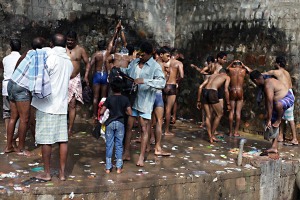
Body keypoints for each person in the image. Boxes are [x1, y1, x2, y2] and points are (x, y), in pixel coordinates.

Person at [31, 33, 73, 181]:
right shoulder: (68, 62)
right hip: (61, 106)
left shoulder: (50, 57)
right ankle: (62, 174)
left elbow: (40, 76)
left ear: (52, 44)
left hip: (47, 105)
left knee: (46, 140)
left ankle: (47, 173)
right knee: (63, 140)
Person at [121, 41, 166, 167]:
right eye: (140, 54)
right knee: (129, 127)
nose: (141, 57)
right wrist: (118, 69)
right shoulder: (135, 63)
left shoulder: (155, 66)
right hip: (132, 99)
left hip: (145, 101)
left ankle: (141, 157)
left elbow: (162, 83)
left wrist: (145, 81)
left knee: (144, 128)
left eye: (143, 55)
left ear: (149, 54)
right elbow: (127, 72)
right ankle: (126, 152)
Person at [5, 37, 47, 156]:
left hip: (12, 82)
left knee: (13, 117)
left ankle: (9, 146)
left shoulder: (27, 53)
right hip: (22, 87)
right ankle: (21, 148)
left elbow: (17, 66)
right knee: (25, 118)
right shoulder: (41, 57)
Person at [250, 70, 294, 154]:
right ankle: (274, 147)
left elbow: (270, 102)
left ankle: (279, 120)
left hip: (288, 97)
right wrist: (268, 116)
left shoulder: (268, 84)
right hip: (277, 101)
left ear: (255, 81)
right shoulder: (264, 84)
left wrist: (269, 119)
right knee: (272, 122)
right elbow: (267, 101)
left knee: (277, 106)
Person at [262, 56, 298, 145]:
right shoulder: (287, 73)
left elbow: (262, 75)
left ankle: (294, 139)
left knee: (289, 118)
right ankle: (280, 136)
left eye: (275, 63)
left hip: (284, 94)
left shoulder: (276, 72)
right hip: (290, 93)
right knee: (282, 116)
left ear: (278, 64)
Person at [99, 76, 132, 174]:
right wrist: (124, 112)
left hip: (110, 123)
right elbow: (130, 112)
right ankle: (118, 167)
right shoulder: (125, 99)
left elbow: (102, 111)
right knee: (119, 145)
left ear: (112, 88)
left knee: (109, 145)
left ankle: (108, 168)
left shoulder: (109, 99)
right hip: (121, 123)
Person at [90, 22, 122, 121]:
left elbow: (89, 65)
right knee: (104, 97)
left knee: (95, 97)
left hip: (97, 74)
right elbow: (111, 43)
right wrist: (116, 32)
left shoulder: (95, 54)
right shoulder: (107, 53)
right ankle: (102, 115)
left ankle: (94, 115)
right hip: (105, 76)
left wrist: (87, 76)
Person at [66, 30, 91, 136]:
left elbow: (87, 63)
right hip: (63, 79)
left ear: (75, 40)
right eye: (68, 40)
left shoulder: (80, 50)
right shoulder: (62, 49)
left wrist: (86, 75)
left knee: (72, 104)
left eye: (72, 40)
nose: (70, 42)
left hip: (74, 79)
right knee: (61, 104)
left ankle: (70, 129)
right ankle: (61, 127)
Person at [197, 72, 231, 143]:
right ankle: (212, 135)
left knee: (208, 116)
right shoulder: (227, 77)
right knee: (219, 114)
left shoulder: (212, 75)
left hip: (205, 91)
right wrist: (228, 103)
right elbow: (226, 90)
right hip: (212, 92)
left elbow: (200, 86)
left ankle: (210, 137)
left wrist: (198, 100)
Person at [0, 39, 21, 147]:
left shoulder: (5, 59)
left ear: (11, 48)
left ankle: (8, 134)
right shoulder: (22, 58)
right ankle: (15, 134)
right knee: (17, 113)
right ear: (20, 48)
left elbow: (3, 68)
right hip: (18, 87)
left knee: (7, 112)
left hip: (6, 87)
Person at [151, 46, 171, 156]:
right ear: (161, 55)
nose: (168, 58)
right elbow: (163, 84)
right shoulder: (161, 66)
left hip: (150, 94)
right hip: (157, 93)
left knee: (150, 120)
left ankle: (151, 142)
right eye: (167, 56)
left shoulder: (151, 64)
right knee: (159, 120)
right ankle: (157, 147)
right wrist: (167, 75)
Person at [163, 48, 184, 135]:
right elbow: (182, 75)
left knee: (162, 108)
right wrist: (176, 80)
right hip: (172, 85)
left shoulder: (165, 62)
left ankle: (159, 126)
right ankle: (166, 130)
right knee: (168, 109)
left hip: (164, 85)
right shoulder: (178, 63)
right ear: (177, 55)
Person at [191, 56, 215, 128]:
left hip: (205, 88)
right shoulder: (211, 69)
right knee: (207, 108)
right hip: (210, 89)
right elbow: (201, 71)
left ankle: (205, 122)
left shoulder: (210, 68)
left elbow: (201, 71)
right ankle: (205, 122)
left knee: (205, 107)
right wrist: (195, 67)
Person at [226, 60, 248, 137]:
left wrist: (231, 63)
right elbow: (251, 71)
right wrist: (243, 65)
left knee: (231, 112)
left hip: (232, 90)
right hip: (240, 91)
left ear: (234, 65)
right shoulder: (243, 70)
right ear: (240, 65)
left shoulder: (231, 70)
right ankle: (236, 132)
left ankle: (230, 132)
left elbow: (226, 68)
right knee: (238, 112)